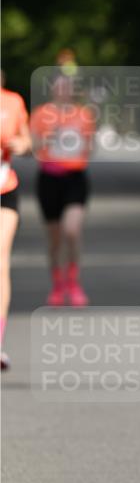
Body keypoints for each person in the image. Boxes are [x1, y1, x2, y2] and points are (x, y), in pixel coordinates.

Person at [30, 75, 95, 306]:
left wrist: (76, 143)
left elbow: (90, 147)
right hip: (49, 178)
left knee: (72, 230)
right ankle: (58, 284)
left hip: (75, 178)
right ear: (53, 90)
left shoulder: (83, 114)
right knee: (55, 238)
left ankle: (74, 282)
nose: (63, 91)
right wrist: (51, 135)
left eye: (67, 88)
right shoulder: (41, 114)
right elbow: (32, 147)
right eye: (59, 87)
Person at [0, 72, 32, 370]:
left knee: (0, 262)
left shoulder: (12, 102)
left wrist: (20, 144)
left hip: (4, 190)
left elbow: (27, 140)